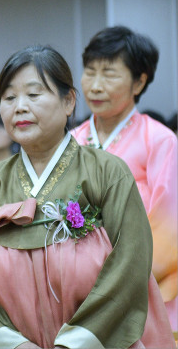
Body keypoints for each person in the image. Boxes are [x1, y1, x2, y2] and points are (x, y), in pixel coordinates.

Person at [0, 45, 174, 348]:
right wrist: (11, 343)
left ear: (68, 101)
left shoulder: (107, 172)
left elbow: (130, 263)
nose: (19, 107)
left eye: (33, 94)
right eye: (9, 98)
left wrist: (77, 342)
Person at [71, 26, 178, 329]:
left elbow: (169, 225)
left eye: (109, 74)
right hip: (77, 292)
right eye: (90, 72)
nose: (95, 86)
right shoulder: (71, 142)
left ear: (139, 82)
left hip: (141, 291)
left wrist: (116, 286)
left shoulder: (159, 140)